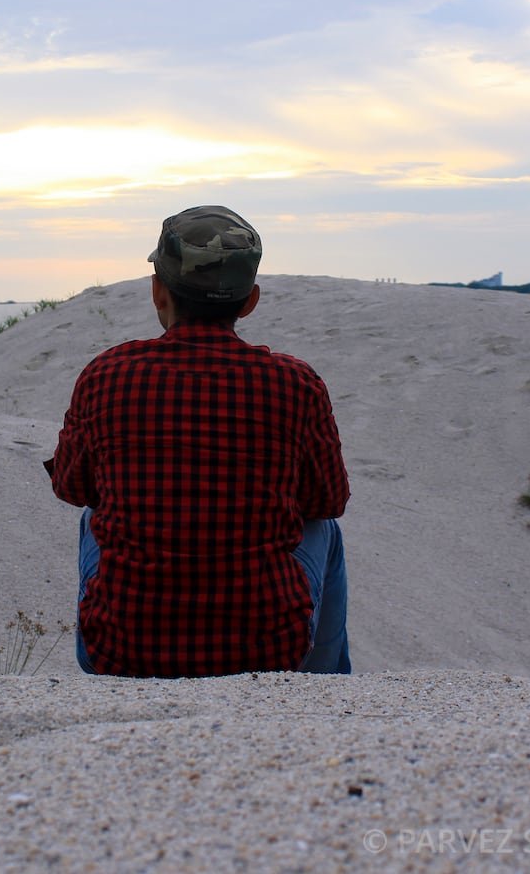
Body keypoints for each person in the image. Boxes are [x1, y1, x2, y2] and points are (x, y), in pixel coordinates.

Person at [46, 205, 351, 677]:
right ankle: (324, 693)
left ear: (157, 292)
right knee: (324, 529)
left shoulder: (106, 375)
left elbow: (71, 488)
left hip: (118, 654)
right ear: (250, 301)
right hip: (266, 654)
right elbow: (327, 500)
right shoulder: (296, 383)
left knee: (94, 515)